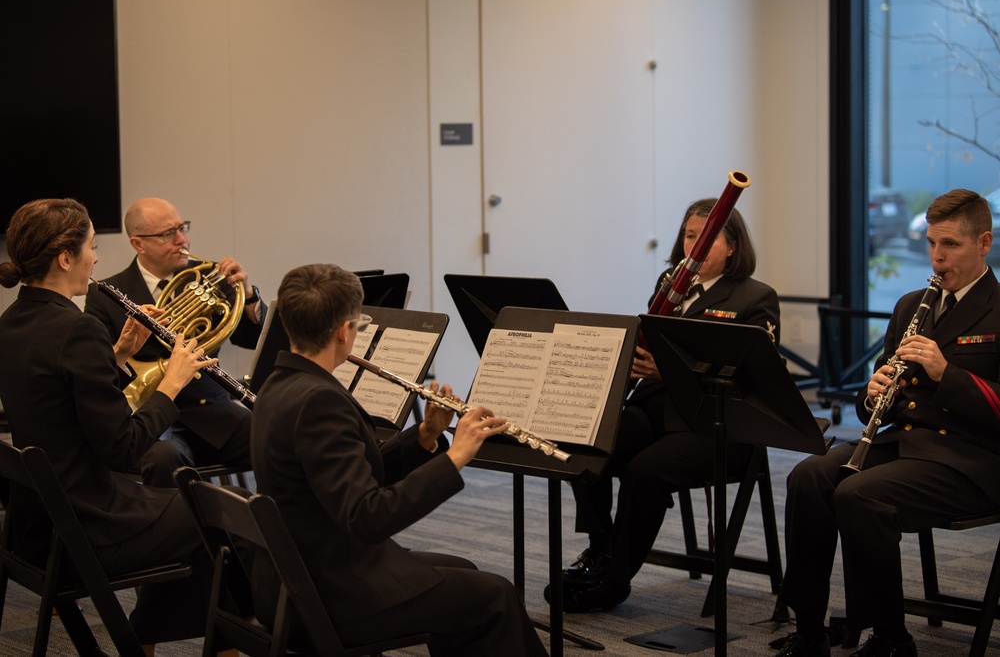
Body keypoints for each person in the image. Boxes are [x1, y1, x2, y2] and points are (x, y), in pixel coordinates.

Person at [251, 263, 548, 656]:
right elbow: (368, 517)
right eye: (358, 325)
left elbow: (347, 477)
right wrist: (456, 457)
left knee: (465, 572)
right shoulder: (319, 401)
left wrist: (424, 438)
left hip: (296, 575)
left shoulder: (278, 383)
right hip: (327, 594)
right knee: (495, 596)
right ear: (344, 331)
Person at [0, 198, 233, 654]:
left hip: (38, 525)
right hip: (88, 524)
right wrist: (171, 384)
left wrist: (119, 354)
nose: (97, 257)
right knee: (221, 514)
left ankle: (155, 637)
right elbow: (124, 449)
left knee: (195, 515)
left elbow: (58, 400)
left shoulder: (13, 321)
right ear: (66, 258)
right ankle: (209, 639)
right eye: (90, 246)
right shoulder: (76, 327)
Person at [776, 189, 1000, 657]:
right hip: (908, 444)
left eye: (952, 245)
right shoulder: (911, 305)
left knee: (859, 495)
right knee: (809, 477)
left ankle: (891, 639)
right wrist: (873, 392)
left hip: (972, 460)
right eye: (932, 244)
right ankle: (810, 629)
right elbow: (870, 402)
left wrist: (947, 374)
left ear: (984, 242)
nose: (938, 257)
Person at [555, 198, 780, 611]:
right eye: (690, 235)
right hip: (656, 407)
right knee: (585, 444)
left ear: (732, 246)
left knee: (644, 473)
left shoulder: (755, 297)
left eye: (707, 237)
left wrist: (671, 370)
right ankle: (601, 548)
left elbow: (751, 374)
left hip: (715, 422)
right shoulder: (671, 282)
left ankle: (615, 582)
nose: (695, 245)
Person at [85, 197, 265, 487]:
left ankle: (270, 527)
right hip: (154, 420)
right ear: (138, 244)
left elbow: (252, 338)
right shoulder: (107, 294)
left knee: (279, 438)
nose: (183, 240)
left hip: (213, 412)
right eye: (168, 234)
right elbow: (103, 366)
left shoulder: (211, 277)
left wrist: (249, 296)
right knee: (162, 460)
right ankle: (187, 532)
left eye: (182, 228)